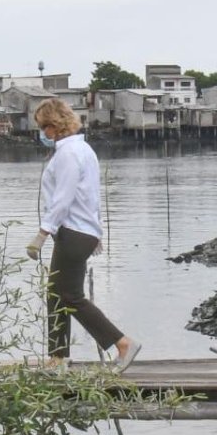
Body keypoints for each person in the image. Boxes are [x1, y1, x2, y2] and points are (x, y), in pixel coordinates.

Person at [27, 98, 141, 372]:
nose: (43, 134)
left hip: (73, 232)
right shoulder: (84, 149)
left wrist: (43, 233)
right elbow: (90, 195)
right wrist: (96, 231)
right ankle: (57, 358)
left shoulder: (67, 154)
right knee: (55, 295)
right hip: (82, 231)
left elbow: (63, 198)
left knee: (70, 295)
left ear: (54, 126)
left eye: (44, 128)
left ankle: (122, 343)